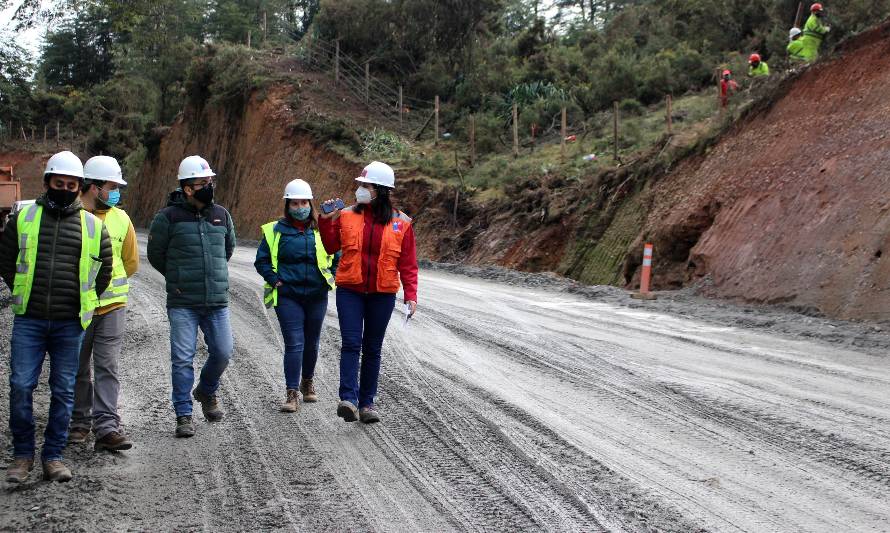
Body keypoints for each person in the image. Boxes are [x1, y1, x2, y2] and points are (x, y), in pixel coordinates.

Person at [0, 151, 113, 482]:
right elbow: (6, 261)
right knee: (20, 386)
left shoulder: (93, 226)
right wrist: (24, 292)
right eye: (59, 182)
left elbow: (102, 272)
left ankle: (52, 456)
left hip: (69, 323)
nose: (65, 188)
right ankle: (22, 456)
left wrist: (82, 303)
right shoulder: (25, 218)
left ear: (80, 187)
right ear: (47, 183)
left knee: (63, 390)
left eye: (71, 184)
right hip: (30, 320)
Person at [318, 161, 418, 424]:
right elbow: (330, 247)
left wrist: (411, 295)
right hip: (350, 290)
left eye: (366, 185)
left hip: (382, 294)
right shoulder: (347, 214)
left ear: (381, 190)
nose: (360, 189)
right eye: (360, 184)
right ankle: (348, 399)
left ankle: (367, 403)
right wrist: (325, 222)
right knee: (351, 343)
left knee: (373, 348)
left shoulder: (402, 223)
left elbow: (408, 263)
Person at [147, 155, 236, 438]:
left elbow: (228, 249)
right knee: (182, 358)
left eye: (210, 181)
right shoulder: (167, 218)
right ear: (187, 188)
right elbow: (156, 255)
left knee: (223, 352)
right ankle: (183, 413)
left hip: (216, 301)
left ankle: (206, 391)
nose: (209, 186)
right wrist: (179, 279)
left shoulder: (221, 214)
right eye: (203, 183)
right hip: (183, 302)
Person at [68, 156, 138, 452]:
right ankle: (79, 423)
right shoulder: (71, 218)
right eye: (111, 186)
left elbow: (130, 262)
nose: (116, 192)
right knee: (77, 367)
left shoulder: (122, 219)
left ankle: (107, 427)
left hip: (112, 308)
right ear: (93, 187)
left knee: (107, 366)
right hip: (77, 308)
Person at [254, 179, 338, 413]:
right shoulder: (274, 231)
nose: (300, 207)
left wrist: (332, 275)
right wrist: (274, 280)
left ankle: (307, 380)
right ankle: (291, 393)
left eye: (304, 202)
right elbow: (261, 260)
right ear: (287, 206)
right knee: (295, 343)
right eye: (295, 203)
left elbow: (337, 254)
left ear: (310, 204)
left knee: (312, 343)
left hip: (316, 295)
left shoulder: (321, 230)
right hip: (288, 295)